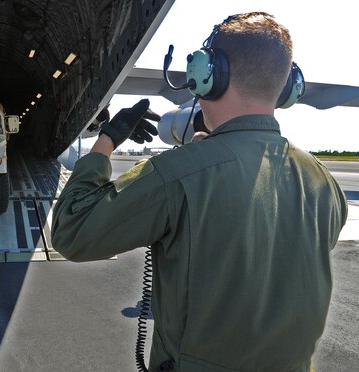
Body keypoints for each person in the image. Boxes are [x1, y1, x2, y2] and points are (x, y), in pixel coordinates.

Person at [51, 12, 347, 371]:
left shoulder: (178, 173)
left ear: (209, 76)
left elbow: (72, 231)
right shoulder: (323, 182)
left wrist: (107, 141)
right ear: (286, 89)